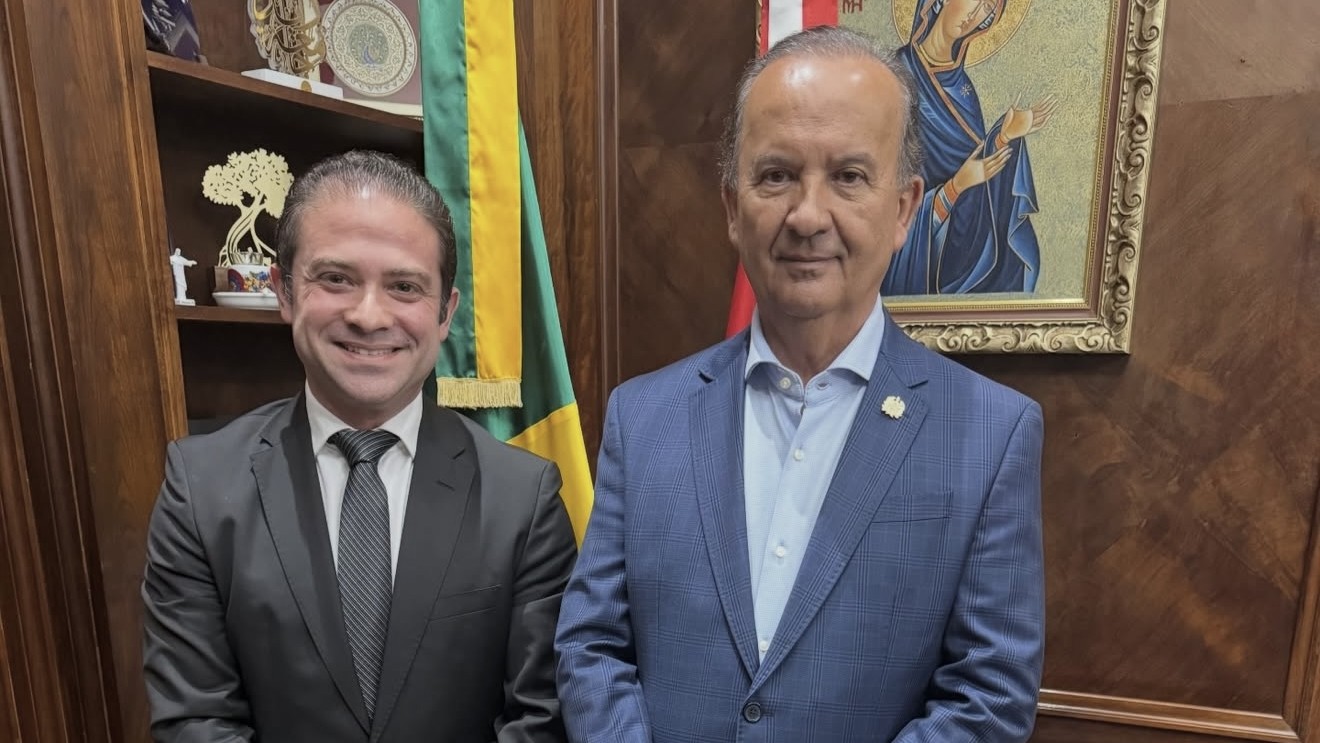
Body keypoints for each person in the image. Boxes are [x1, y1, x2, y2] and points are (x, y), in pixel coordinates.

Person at [555, 26, 1044, 742]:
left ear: (904, 208)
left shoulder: (992, 435)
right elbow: (592, 646)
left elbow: (988, 696)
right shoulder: (644, 415)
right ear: (733, 207)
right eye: (777, 175)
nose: (808, 216)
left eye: (849, 176)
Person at [142, 150, 576, 742]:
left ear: (445, 313)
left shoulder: (523, 496)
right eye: (336, 279)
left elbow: (541, 716)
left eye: (404, 286)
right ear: (284, 292)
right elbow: (197, 719)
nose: (369, 316)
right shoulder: (201, 487)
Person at [883, 0, 1055, 295]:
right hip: (903, 254)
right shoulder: (892, 78)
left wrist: (1003, 138)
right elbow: (879, 192)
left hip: (948, 257)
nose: (975, 15)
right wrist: (955, 187)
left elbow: (976, 200)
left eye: (987, 10)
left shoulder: (963, 92)